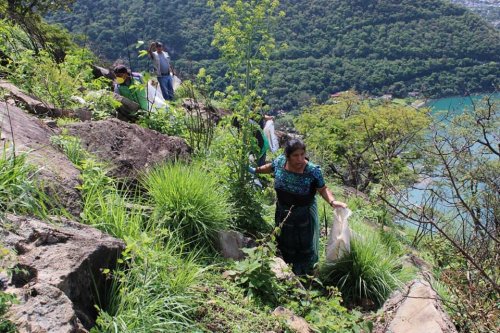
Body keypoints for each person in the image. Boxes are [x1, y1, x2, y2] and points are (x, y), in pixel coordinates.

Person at [249, 139, 347, 275]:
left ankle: (304, 274)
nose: (300, 158)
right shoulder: (280, 162)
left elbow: (323, 189)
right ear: (287, 156)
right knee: (284, 239)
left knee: (304, 245)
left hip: (303, 215)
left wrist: (332, 201)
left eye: (302, 154)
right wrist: (254, 170)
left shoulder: (312, 171)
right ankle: (285, 268)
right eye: (295, 155)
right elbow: (270, 167)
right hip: (282, 210)